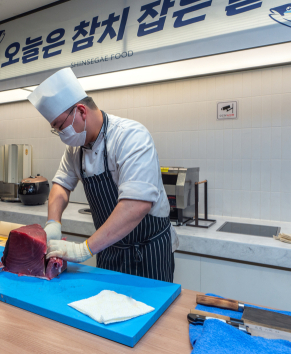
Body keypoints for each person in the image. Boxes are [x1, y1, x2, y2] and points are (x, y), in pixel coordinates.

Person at [27, 68, 178, 282]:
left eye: (61, 127)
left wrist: (83, 249)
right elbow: (61, 186)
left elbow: (136, 205)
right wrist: (53, 223)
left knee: (152, 314)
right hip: (108, 248)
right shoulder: (75, 149)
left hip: (147, 252)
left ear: (81, 111)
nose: (61, 134)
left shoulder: (130, 136)